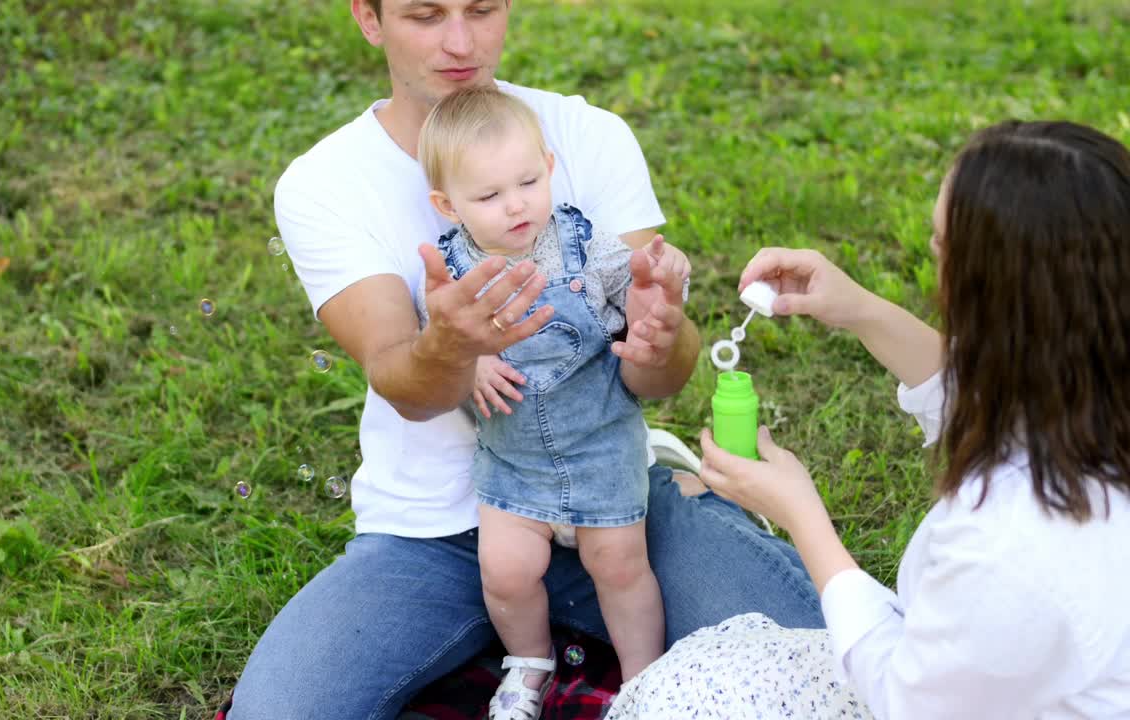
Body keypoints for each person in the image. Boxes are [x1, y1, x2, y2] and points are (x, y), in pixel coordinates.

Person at [229, 2, 824, 718]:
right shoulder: (326, 182)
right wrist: (449, 345)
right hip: (436, 533)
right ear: (368, 16)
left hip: (615, 499)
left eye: (481, 9)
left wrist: (663, 335)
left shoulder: (585, 135)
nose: (460, 41)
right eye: (425, 15)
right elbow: (404, 385)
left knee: (824, 656)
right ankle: (528, 651)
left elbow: (660, 374)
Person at [607, 119, 1130, 719]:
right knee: (681, 631)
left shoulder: (1011, 547)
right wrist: (856, 307)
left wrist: (803, 515)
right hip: (961, 665)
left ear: (1001, 292)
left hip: (908, 689)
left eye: (941, 249)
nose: (934, 261)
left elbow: (907, 702)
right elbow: (983, 401)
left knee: (667, 702)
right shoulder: (1091, 396)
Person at [413, 86, 690, 718]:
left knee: (620, 567)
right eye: (488, 196)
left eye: (528, 181)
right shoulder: (452, 273)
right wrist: (470, 356)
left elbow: (640, 280)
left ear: (550, 167)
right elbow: (437, 339)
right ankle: (528, 665)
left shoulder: (583, 248)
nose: (516, 205)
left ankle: (643, 679)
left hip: (600, 446)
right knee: (506, 573)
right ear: (446, 204)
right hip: (514, 464)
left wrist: (660, 279)